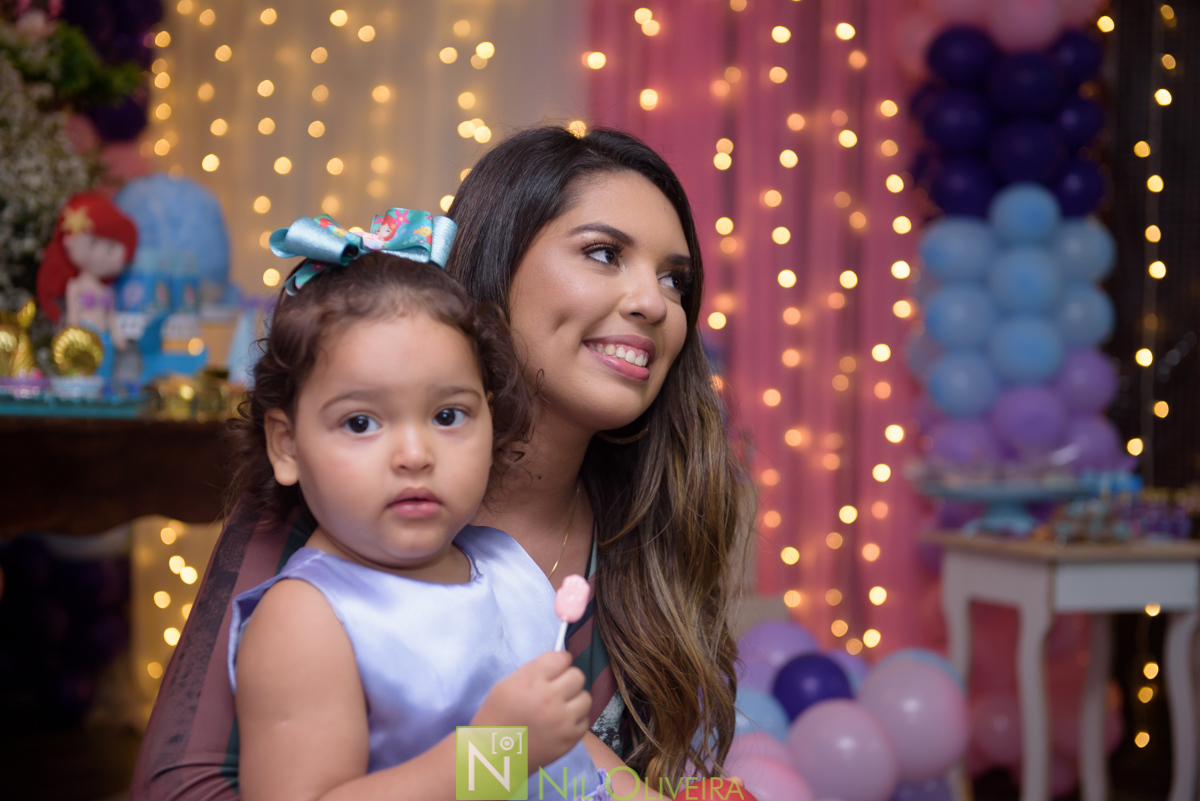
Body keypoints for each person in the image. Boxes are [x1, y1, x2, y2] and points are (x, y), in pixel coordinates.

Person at [131, 127, 750, 801]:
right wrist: (499, 754)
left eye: (674, 279)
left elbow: (574, 760)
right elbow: (188, 784)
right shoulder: (336, 528)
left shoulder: (528, 561)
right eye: (604, 253)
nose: (654, 302)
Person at [228, 212, 607, 799]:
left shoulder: (506, 566)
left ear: (492, 421)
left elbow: (569, 748)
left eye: (448, 416)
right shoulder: (306, 621)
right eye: (360, 422)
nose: (414, 454)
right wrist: (499, 750)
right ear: (287, 446)